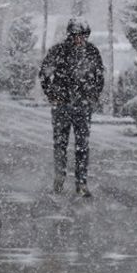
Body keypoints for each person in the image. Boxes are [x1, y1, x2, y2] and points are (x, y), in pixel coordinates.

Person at [39, 17, 105, 197]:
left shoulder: (92, 52)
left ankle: (81, 182)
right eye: (76, 36)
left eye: (83, 36)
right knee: (60, 144)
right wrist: (52, 95)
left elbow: (99, 77)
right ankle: (59, 177)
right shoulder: (58, 51)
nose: (79, 40)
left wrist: (93, 95)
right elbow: (44, 74)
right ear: (70, 35)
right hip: (62, 106)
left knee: (82, 146)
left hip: (83, 106)